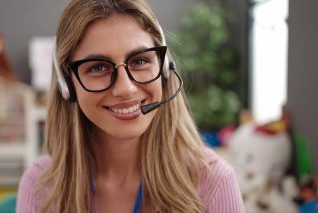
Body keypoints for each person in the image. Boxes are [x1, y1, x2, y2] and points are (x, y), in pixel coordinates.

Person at [17, 0, 244, 212]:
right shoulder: (40, 188)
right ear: (67, 84)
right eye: (97, 67)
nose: (125, 89)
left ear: (163, 69)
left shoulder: (213, 183)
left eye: (140, 61)